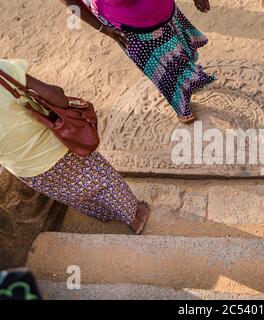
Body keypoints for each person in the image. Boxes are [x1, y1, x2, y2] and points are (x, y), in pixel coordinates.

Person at [0, 59, 149, 234]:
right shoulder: (2, 69)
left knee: (73, 195)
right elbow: (56, 98)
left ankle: (106, 214)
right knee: (105, 180)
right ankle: (134, 216)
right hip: (57, 146)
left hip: (26, 169)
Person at [61, 0, 216, 123]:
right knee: (161, 67)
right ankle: (181, 101)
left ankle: (191, 77)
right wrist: (102, 28)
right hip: (129, 28)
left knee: (177, 48)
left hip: (163, 11)